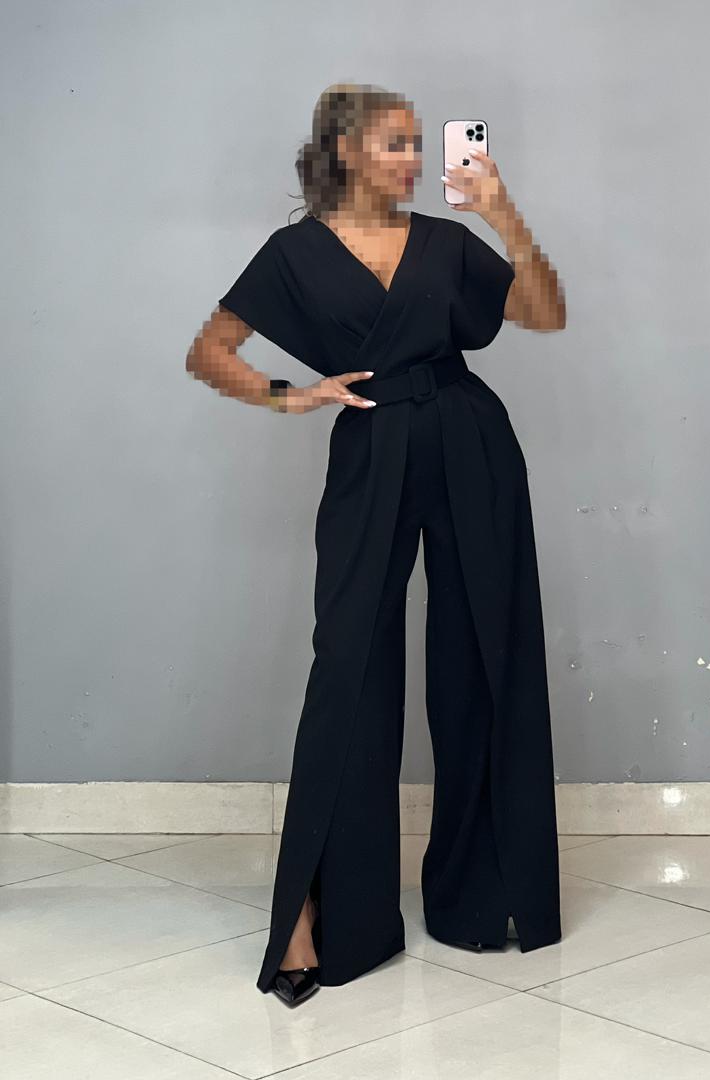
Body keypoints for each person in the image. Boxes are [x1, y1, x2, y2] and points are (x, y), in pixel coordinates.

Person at [186, 83, 566, 1007]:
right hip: (372, 444)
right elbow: (211, 351)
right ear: (346, 150)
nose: (413, 160)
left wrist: (503, 212)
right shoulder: (294, 254)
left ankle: (487, 892)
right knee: (349, 668)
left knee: (486, 653)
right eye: (395, 144)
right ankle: (320, 912)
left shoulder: (445, 240)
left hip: (471, 439)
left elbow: (545, 313)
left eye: (416, 144)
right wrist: (292, 396)